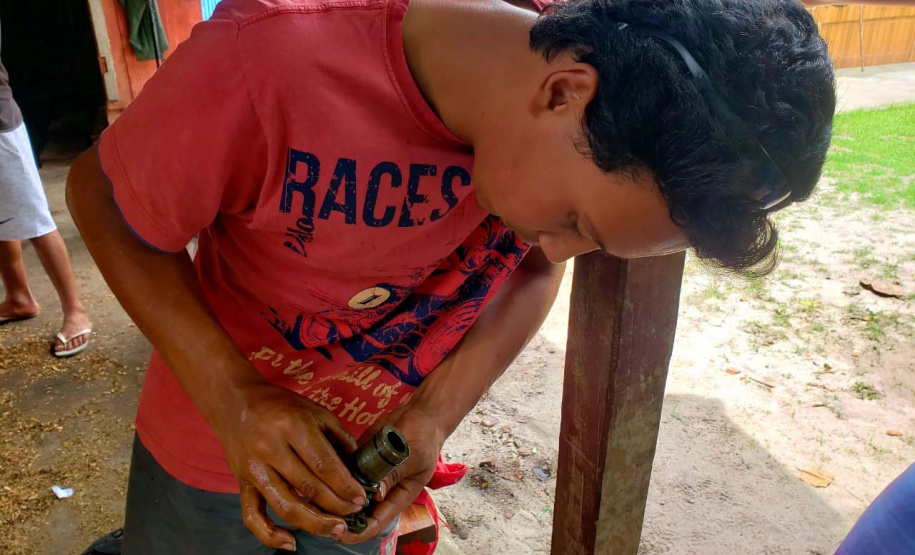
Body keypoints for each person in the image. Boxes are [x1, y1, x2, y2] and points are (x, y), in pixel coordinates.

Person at [66, 0, 836, 552]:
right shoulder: (267, 59)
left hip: (368, 463)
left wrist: (434, 414)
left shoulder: (555, 125)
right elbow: (101, 197)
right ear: (562, 93)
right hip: (213, 442)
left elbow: (531, 270)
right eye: (575, 220)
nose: (560, 250)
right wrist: (235, 400)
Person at [0, 23, 91, 358]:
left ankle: (75, 311)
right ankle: (18, 297)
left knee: (36, 220)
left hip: (0, 130)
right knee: (2, 217)